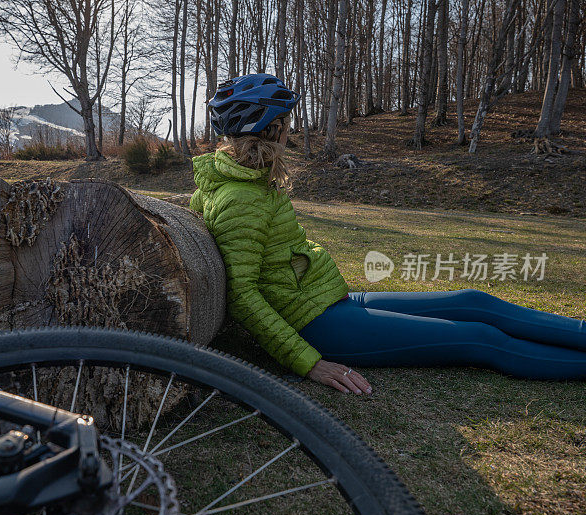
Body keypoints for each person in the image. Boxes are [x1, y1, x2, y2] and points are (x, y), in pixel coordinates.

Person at [189, 73, 586, 395]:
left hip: (331, 300)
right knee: (480, 340)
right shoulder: (241, 198)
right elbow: (242, 296)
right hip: (317, 323)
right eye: (287, 123)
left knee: (475, 300)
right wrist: (309, 362)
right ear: (271, 128)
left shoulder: (249, 183)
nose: (290, 130)